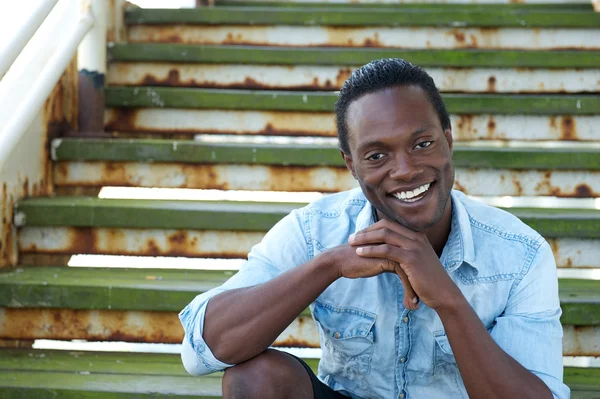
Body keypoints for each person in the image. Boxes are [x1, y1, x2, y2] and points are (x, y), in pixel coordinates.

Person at [179, 58, 569, 399]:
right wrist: (330, 265)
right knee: (256, 377)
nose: (404, 170)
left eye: (422, 143)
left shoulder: (519, 252)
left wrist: (447, 299)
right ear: (351, 165)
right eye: (377, 155)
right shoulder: (316, 231)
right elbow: (200, 352)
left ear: (448, 141)